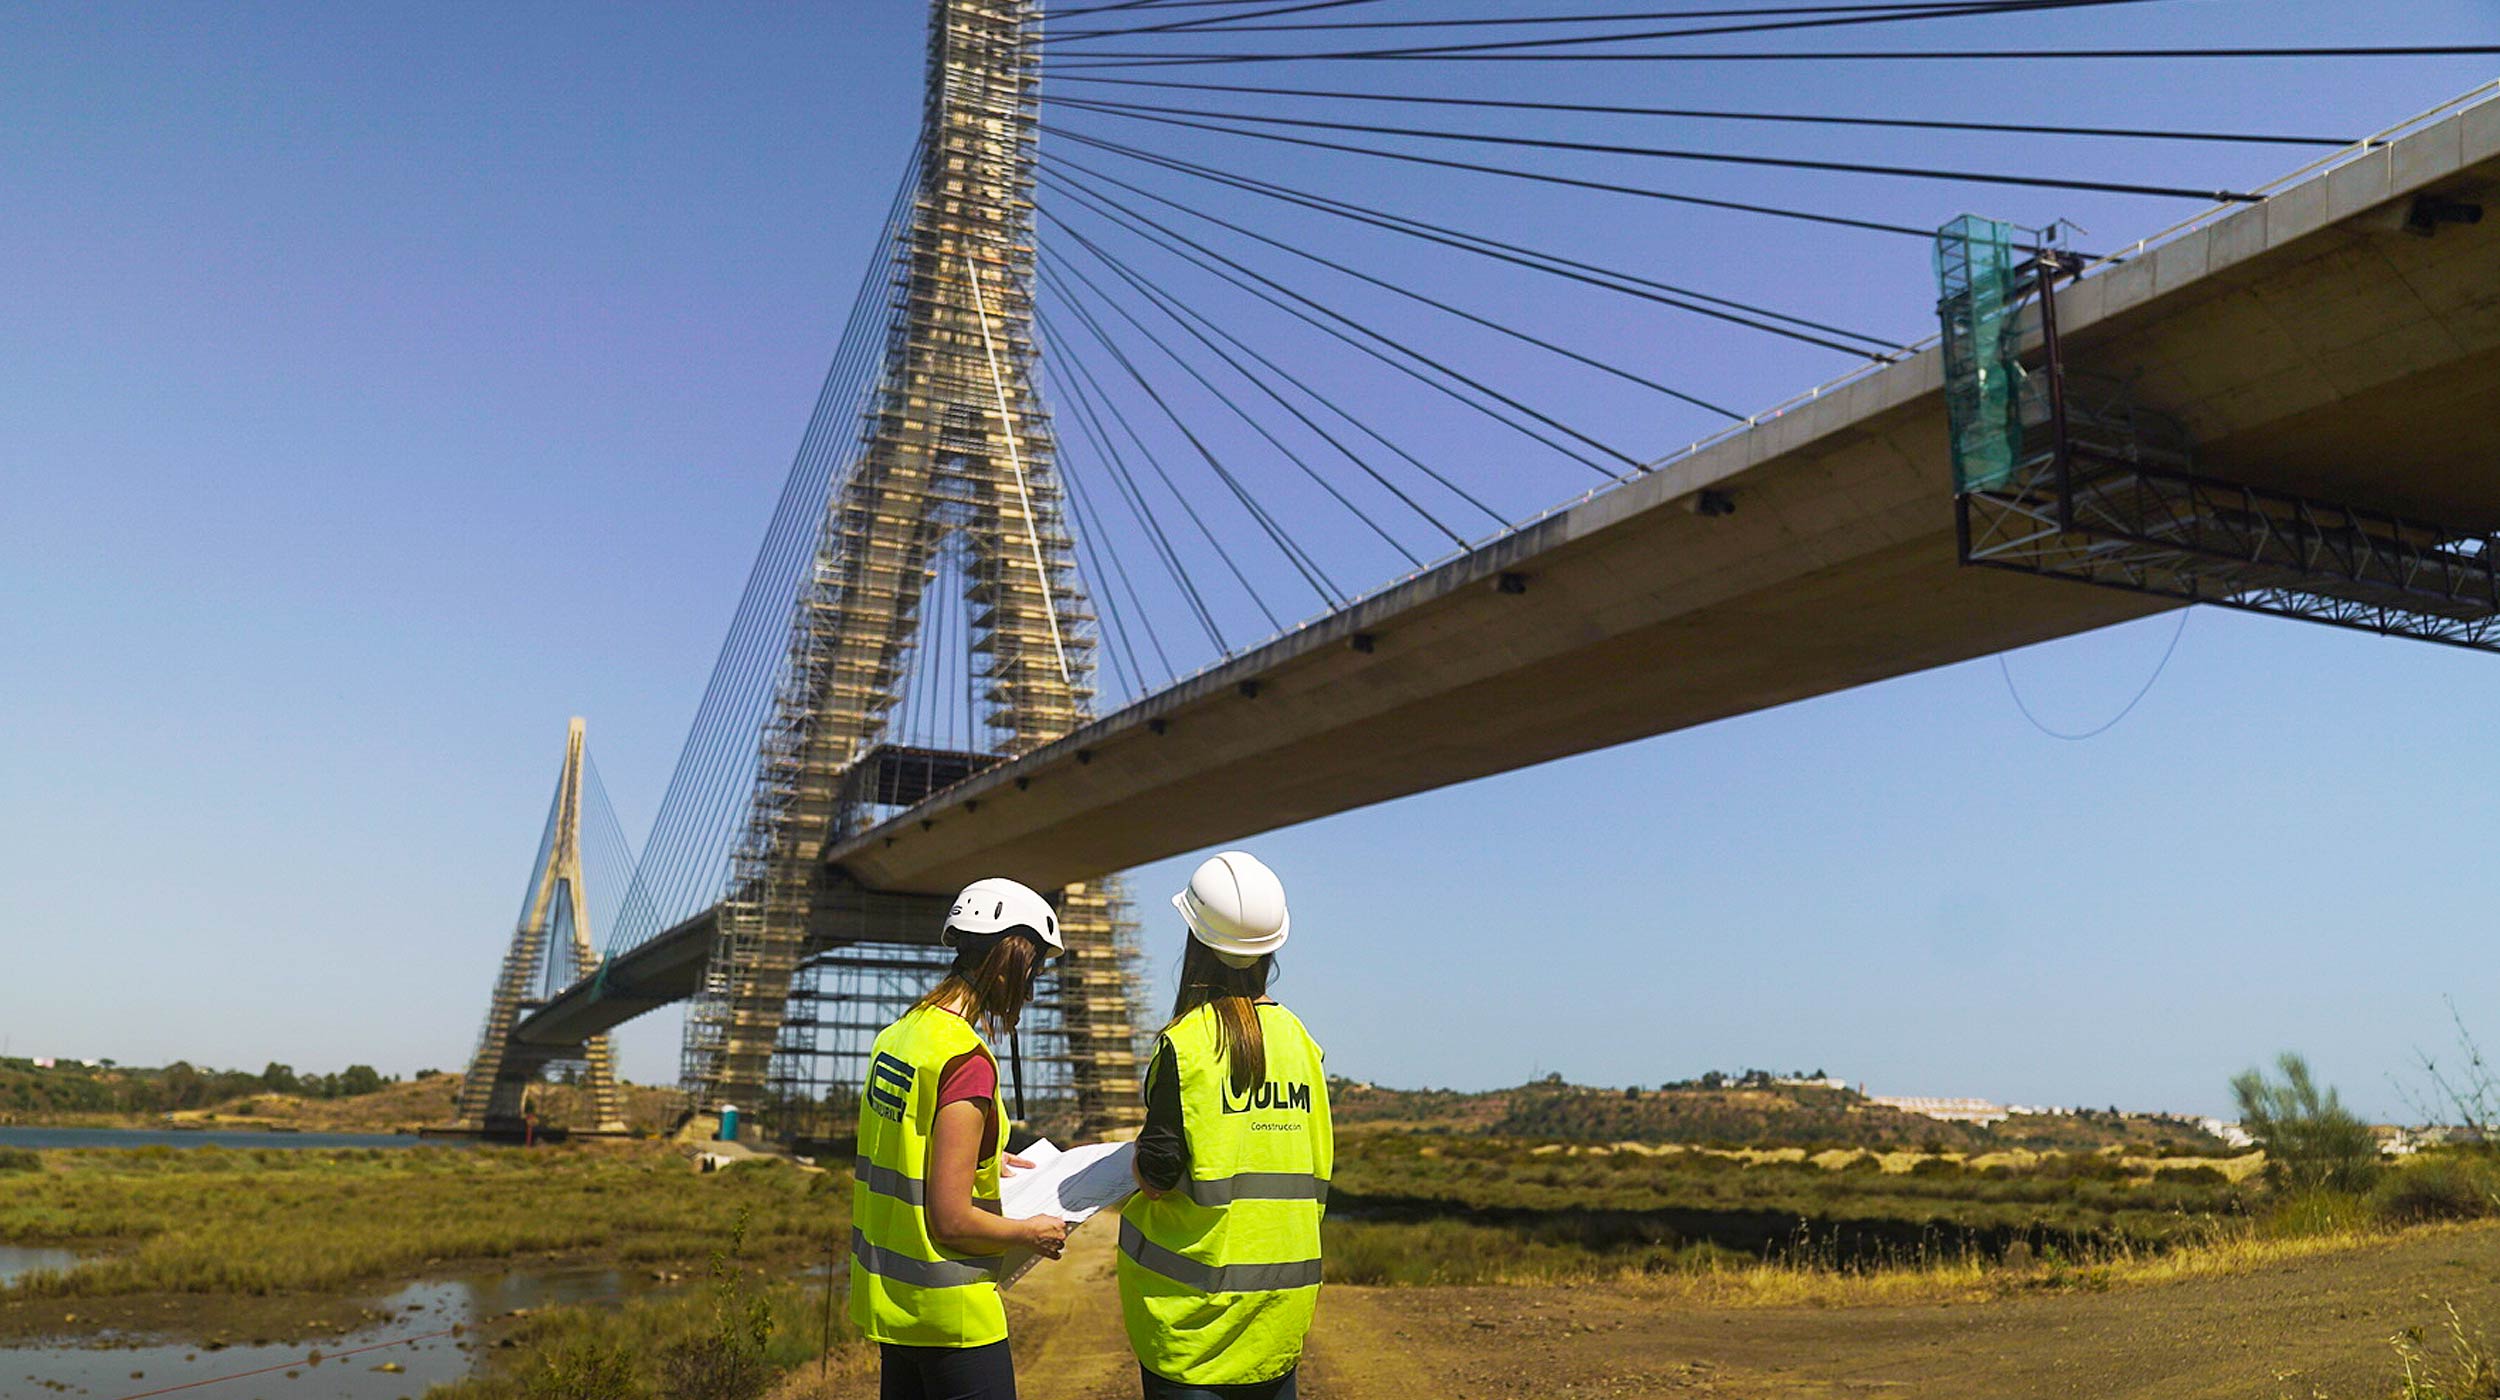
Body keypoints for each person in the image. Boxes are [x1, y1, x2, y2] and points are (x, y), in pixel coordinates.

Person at [1118, 851, 1333, 1400]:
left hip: (1195, 1324)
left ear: (1196, 940)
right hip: (1278, 1314)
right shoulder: (1302, 1044)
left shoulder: (1186, 1044)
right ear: (1273, 946)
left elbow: (1159, 1174)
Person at [852, 876, 1071, 1400]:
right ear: (1015, 963)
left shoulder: (901, 1035)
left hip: (892, 1304)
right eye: (1033, 972)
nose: (1031, 989)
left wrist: (985, 1162)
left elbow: (907, 1147)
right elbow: (950, 1221)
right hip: (952, 1316)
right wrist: (1032, 1233)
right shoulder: (966, 1059)